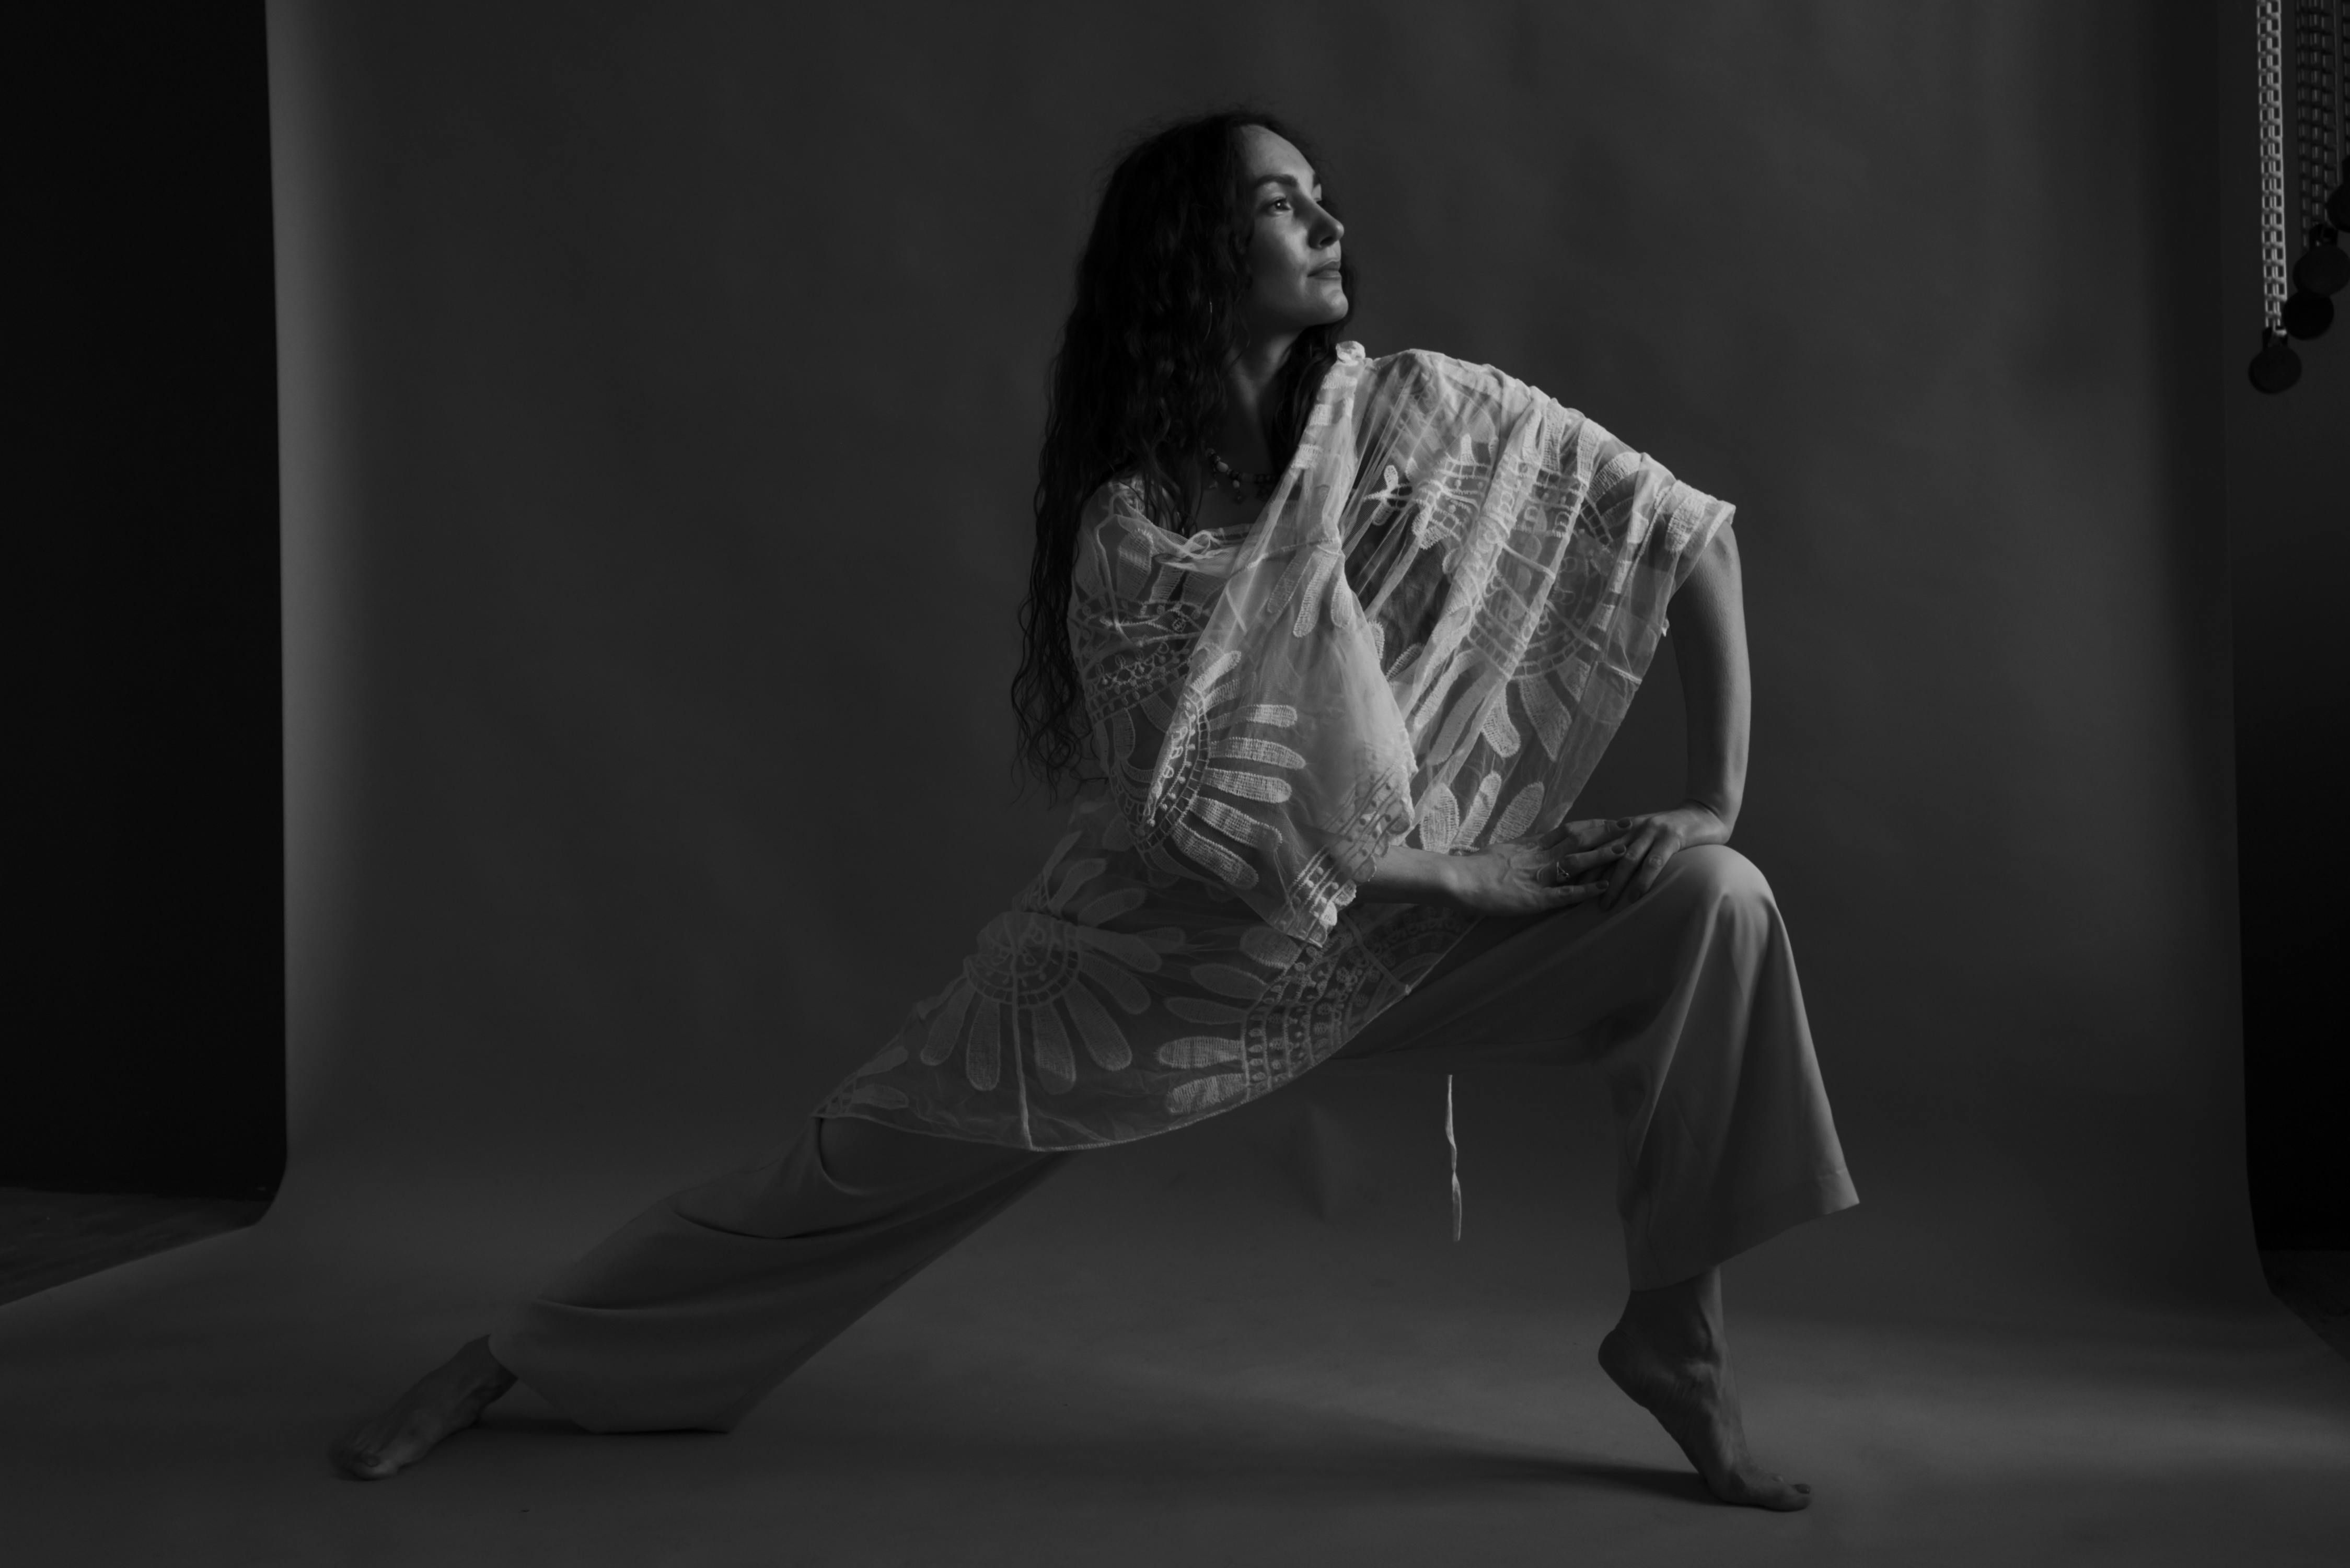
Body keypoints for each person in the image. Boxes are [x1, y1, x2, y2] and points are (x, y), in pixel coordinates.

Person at [331, 111, 1857, 1512]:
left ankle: (1678, 1342)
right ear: (1196, 257)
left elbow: (1683, 533)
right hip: (1176, 954)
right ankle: (513, 1354)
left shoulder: (1423, 418)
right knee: (852, 1157)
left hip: (1409, 933)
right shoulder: (1131, 528)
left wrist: (1708, 799)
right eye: (1280, 205)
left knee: (1717, 905)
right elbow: (1208, 823)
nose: (1327, 224)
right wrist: (1477, 875)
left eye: (1323, 197)